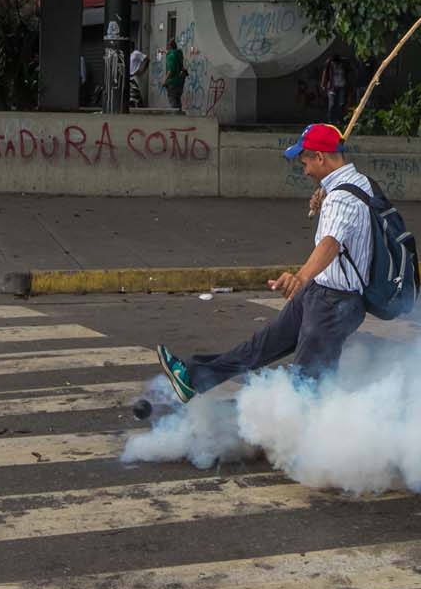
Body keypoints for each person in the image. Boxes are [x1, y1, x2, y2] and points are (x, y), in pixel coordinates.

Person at [155, 123, 373, 402]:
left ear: (320, 157)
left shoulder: (341, 198)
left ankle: (307, 441)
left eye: (305, 160)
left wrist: (301, 276)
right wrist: (326, 191)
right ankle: (194, 377)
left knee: (308, 386)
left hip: (335, 303)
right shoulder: (357, 183)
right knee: (259, 348)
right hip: (320, 292)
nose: (304, 169)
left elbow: (330, 243)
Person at [321, 53, 350, 125]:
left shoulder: (343, 64)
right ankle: (330, 119)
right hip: (332, 87)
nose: (336, 63)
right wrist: (323, 85)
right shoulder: (330, 65)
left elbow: (348, 64)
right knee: (332, 104)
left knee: (341, 103)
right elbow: (325, 74)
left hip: (342, 86)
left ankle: (339, 119)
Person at [163, 37, 187, 111]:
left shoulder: (170, 56)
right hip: (180, 82)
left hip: (172, 82)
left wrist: (164, 80)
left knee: (173, 101)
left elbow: (171, 70)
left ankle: (174, 119)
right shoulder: (179, 53)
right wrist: (164, 52)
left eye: (167, 46)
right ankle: (179, 118)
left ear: (169, 47)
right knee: (178, 100)